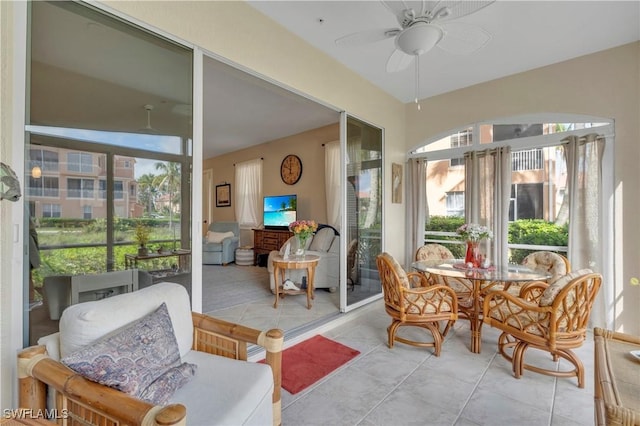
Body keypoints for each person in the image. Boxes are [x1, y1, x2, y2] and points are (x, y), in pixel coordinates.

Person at [29, 216, 42, 310]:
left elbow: (32, 231)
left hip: (28, 250)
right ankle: (29, 301)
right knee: (27, 278)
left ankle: (29, 301)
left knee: (27, 278)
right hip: (28, 249)